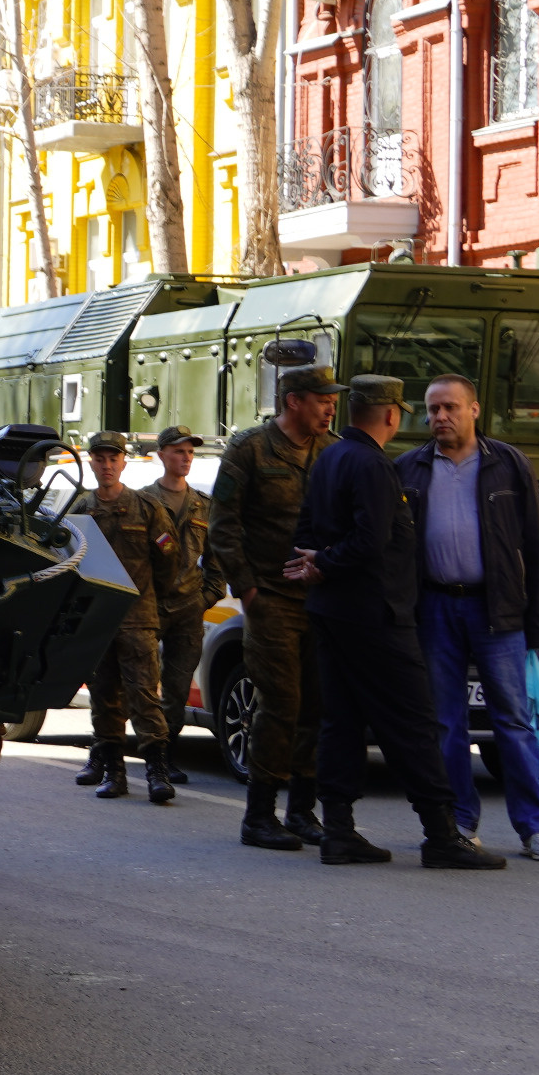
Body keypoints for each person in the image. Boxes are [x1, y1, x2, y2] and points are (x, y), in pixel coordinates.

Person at [282, 375, 505, 870]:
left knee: (341, 722)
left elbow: (305, 530)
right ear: (391, 414)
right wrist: (326, 563)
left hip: (332, 612)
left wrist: (314, 565)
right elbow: (371, 540)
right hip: (375, 615)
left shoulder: (330, 457)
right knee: (414, 723)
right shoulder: (370, 464)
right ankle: (442, 834)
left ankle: (338, 830)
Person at [398, 376, 539, 862]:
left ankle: (535, 829)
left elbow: (534, 548)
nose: (439, 417)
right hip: (434, 609)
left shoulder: (508, 465)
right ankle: (459, 823)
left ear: (474, 409)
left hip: (498, 612)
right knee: (446, 725)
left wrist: (538, 624)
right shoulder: (409, 469)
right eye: (432, 410)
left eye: (449, 407)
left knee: (513, 722)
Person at [211, 359, 341, 850]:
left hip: (320, 599)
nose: (330, 407)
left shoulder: (332, 450)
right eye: (322, 399)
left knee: (316, 704)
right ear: (294, 402)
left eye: (332, 399)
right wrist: (246, 589)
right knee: (281, 703)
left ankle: (302, 810)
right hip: (271, 599)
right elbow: (222, 524)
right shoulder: (250, 449)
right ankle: (259, 815)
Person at [77, 431, 177, 804]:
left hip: (138, 618)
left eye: (113, 459)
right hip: (97, 620)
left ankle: (156, 770)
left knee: (144, 695)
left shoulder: (148, 508)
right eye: (100, 459)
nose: (107, 465)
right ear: (91, 462)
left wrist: (149, 598)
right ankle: (113, 771)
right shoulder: (79, 510)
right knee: (104, 697)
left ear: (123, 462)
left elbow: (168, 559)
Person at [146, 427, 215, 791]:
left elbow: (218, 558)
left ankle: (166, 755)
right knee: (142, 685)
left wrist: (207, 597)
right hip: (149, 606)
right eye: (178, 452)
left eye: (189, 452)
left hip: (188, 608)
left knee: (176, 687)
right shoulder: (143, 501)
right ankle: (146, 754)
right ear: (161, 455)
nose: (185, 458)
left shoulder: (203, 505)